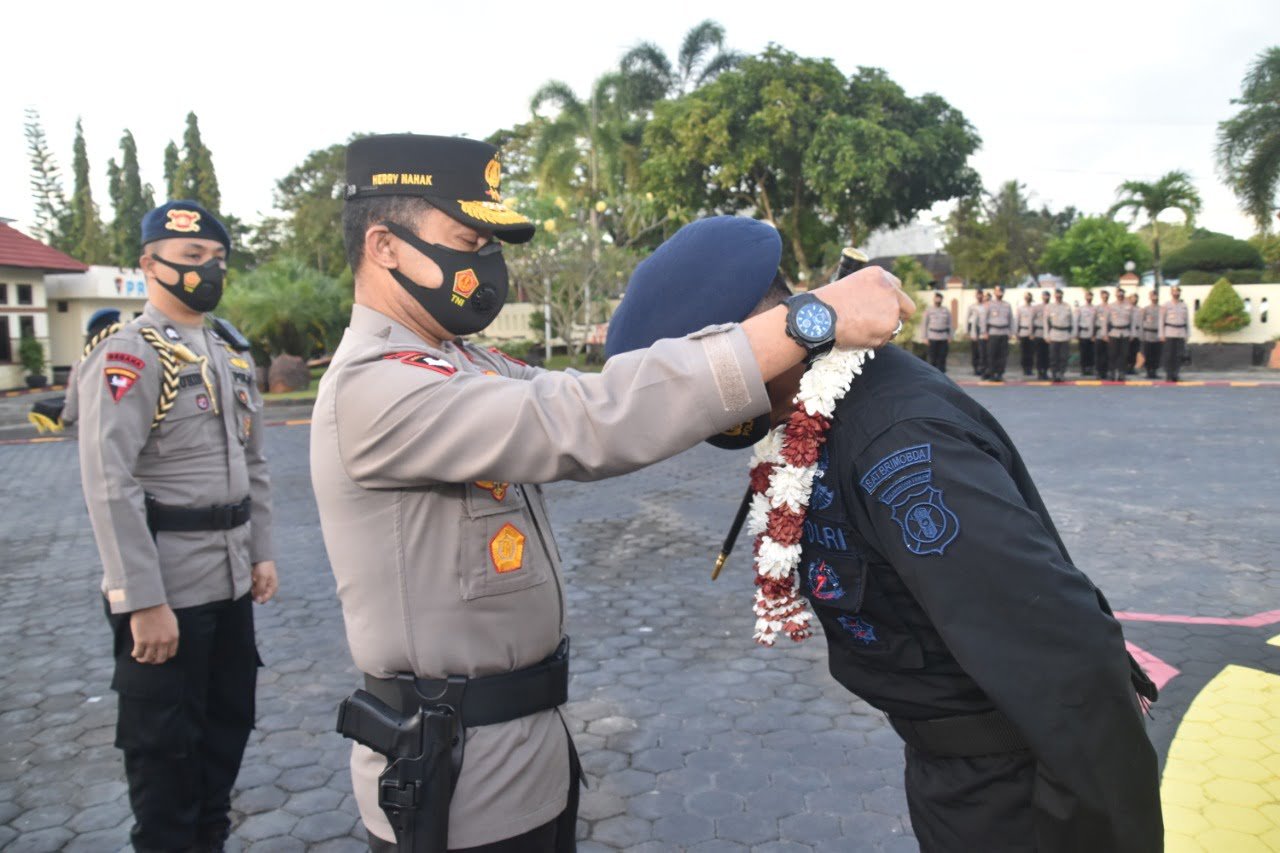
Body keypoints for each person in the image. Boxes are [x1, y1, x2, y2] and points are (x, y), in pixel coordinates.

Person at [308, 134, 911, 853]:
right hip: (453, 783)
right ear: (385, 246)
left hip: (522, 758)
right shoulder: (376, 386)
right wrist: (809, 319)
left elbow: (598, 392)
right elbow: (583, 422)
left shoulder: (457, 361)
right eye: (468, 239)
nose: (485, 264)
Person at [606, 221, 1162, 853]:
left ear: (743, 347)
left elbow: (1066, 666)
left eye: (689, 378)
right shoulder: (815, 409)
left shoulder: (895, 444)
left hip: (1017, 793)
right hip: (955, 771)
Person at [64, 200, 277, 853]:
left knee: (224, 733)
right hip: (168, 590)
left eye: (215, 261)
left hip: (230, 583)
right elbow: (110, 481)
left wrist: (261, 552)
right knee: (165, 755)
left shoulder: (227, 352)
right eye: (190, 260)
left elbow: (255, 462)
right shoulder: (129, 352)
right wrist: (143, 601)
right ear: (148, 265)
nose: (205, 272)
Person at [980, 285, 1012, 381]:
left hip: (1004, 332)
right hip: (993, 332)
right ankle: (992, 373)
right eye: (997, 291)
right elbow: (984, 319)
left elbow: (1010, 319)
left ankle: (1000, 374)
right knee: (992, 354)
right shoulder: (989, 304)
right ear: (994, 293)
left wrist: (1011, 332)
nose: (999, 293)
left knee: (1003, 355)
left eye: (1001, 291)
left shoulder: (1007, 305)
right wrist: (984, 332)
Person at [1161, 285, 1190, 382]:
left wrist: (1187, 334)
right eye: (1174, 291)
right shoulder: (1166, 305)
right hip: (1169, 332)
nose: (1176, 293)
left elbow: (1187, 321)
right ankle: (1169, 374)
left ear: (1179, 293)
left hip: (1180, 332)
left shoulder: (1184, 305)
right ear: (1171, 293)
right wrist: (1161, 334)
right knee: (1169, 355)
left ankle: (1176, 373)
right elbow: (1161, 321)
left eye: (1177, 291)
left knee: (1179, 355)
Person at [1046, 288, 1076, 383]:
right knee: (1053, 356)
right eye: (1057, 295)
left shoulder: (1067, 306)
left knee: (1064, 356)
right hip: (1054, 334)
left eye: (1060, 295)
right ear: (1055, 296)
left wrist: (1072, 334)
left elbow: (1072, 321)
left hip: (1065, 334)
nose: (1058, 296)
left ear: (1062, 295)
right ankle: (1055, 373)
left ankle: (1061, 373)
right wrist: (1046, 335)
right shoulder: (1049, 307)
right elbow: (1046, 322)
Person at [1106, 287, 1134, 382]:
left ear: (1123, 295)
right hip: (1114, 332)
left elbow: (1132, 321)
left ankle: (1122, 373)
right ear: (1116, 295)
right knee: (1113, 354)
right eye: (1118, 294)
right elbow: (1105, 321)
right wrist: (1105, 334)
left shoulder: (1129, 306)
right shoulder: (1111, 306)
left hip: (1125, 333)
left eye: (1121, 294)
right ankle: (1112, 372)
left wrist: (1132, 333)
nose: (1120, 296)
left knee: (1124, 354)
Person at [923, 292, 952, 373]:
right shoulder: (929, 310)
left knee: (942, 358)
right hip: (932, 337)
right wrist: (924, 337)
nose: (938, 299)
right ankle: (932, 375)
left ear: (942, 299)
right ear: (934, 299)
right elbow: (924, 324)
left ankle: (942, 374)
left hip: (943, 337)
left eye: (940, 298)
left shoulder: (946, 310)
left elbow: (950, 324)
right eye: (937, 297)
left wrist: (950, 336)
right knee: (932, 359)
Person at [1139, 291, 1162, 380]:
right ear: (1150, 297)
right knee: (1148, 354)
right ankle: (1148, 371)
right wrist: (1141, 335)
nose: (1154, 298)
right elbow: (1141, 323)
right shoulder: (1146, 309)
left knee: (1157, 354)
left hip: (1157, 335)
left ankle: (1155, 371)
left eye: (1156, 296)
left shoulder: (1161, 309)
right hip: (1147, 334)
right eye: (1152, 296)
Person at [965, 288, 987, 376]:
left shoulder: (986, 306)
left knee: (983, 351)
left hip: (983, 330)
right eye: (978, 294)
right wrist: (968, 331)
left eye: (980, 294)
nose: (979, 296)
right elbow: (967, 319)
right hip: (974, 330)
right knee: (975, 351)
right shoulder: (972, 307)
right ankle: (975, 368)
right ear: (976, 296)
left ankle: (982, 368)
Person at [1076, 290, 1097, 377]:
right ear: (1085, 297)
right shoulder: (1081, 308)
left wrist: (1094, 334)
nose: (1089, 298)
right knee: (1083, 352)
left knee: (1092, 352)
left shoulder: (1095, 308)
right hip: (1083, 333)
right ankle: (1083, 369)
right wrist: (1076, 333)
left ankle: (1091, 368)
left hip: (1092, 333)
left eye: (1090, 296)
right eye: (1087, 296)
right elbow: (1076, 321)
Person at [1016, 291, 1036, 376]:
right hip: (1023, 332)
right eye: (1026, 297)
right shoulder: (1020, 308)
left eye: (1029, 297)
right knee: (1024, 352)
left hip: (1031, 333)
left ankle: (1030, 369)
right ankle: (1025, 369)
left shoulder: (1034, 308)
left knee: (1031, 353)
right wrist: (1016, 332)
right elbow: (1017, 320)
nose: (1028, 298)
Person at [1032, 289, 1051, 380]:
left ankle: (1046, 371)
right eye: (1044, 296)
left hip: (1049, 334)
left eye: (1047, 296)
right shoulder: (1037, 307)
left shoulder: (1052, 307)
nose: (1045, 297)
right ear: (1042, 297)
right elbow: (1031, 320)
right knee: (1039, 354)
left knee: (1047, 354)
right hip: (1039, 333)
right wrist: (1031, 332)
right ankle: (1040, 372)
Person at [1095, 289, 1112, 380]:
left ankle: (1106, 372)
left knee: (1107, 354)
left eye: (1106, 295)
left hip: (1109, 334)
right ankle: (1098, 371)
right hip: (1099, 333)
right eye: (1103, 295)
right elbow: (1093, 321)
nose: (1105, 297)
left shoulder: (1111, 307)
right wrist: (1092, 334)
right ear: (1101, 296)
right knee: (1099, 354)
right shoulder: (1097, 307)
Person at [1126, 293, 1142, 375]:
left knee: (1134, 352)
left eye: (1136, 298)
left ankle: (1132, 367)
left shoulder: (1139, 309)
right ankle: (1126, 367)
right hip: (1128, 334)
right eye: (1133, 298)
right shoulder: (1127, 309)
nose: (1135, 300)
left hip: (1137, 333)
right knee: (1127, 352)